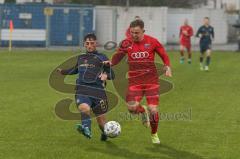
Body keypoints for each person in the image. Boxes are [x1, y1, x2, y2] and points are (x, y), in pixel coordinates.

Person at [107, 19, 172, 144]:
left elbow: (164, 54)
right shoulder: (126, 43)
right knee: (131, 109)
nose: (134, 35)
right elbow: (118, 56)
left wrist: (167, 65)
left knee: (153, 110)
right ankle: (142, 111)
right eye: (132, 32)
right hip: (134, 82)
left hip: (151, 81)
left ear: (143, 31)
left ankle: (154, 134)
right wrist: (111, 63)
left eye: (137, 32)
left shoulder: (152, 41)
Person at [57, 33, 115, 141]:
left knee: (102, 122)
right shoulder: (81, 57)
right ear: (84, 44)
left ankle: (105, 133)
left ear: (96, 44)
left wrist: (106, 74)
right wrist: (63, 72)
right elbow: (75, 69)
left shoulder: (102, 57)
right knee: (84, 108)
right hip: (82, 89)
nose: (89, 46)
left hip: (98, 91)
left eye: (92, 43)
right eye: (87, 43)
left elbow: (113, 75)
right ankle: (86, 128)